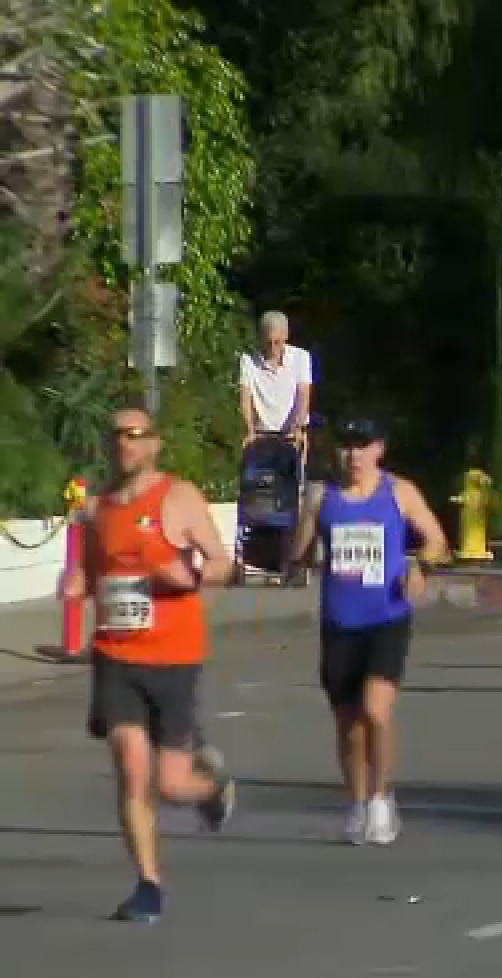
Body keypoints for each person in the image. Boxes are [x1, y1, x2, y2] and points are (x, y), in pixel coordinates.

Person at [63, 404, 239, 922]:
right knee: (131, 767)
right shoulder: (100, 510)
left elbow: (224, 564)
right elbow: (93, 572)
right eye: (118, 435)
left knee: (171, 782)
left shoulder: (178, 497)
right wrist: (78, 584)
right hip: (116, 655)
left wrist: (187, 573)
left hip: (174, 656)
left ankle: (211, 788)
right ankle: (148, 884)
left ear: (155, 444)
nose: (126, 444)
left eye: (137, 435)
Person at [289, 416, 449, 844]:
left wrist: (421, 566)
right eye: (346, 445)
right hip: (340, 622)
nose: (353, 454)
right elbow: (297, 555)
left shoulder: (399, 492)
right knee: (348, 724)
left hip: (387, 617)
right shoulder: (322, 498)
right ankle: (358, 802)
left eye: (362, 445)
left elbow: (437, 540)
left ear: (380, 449)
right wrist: (294, 557)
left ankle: (381, 799)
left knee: (376, 713)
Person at [239, 311, 314, 487]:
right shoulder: (248, 361)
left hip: (290, 434)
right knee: (260, 489)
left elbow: (303, 396)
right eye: (268, 342)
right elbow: (245, 397)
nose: (273, 347)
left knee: (291, 489)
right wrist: (249, 429)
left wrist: (297, 427)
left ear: (286, 337)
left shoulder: (301, 358)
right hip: (261, 435)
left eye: (277, 342)